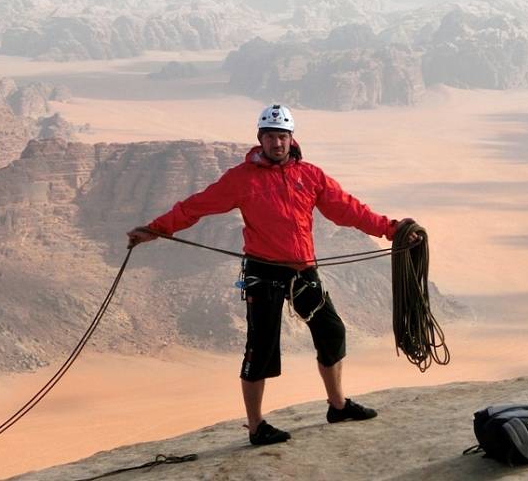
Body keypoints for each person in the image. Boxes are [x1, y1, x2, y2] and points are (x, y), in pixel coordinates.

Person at [127, 104, 413, 446]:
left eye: (282, 136)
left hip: (302, 269)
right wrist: (156, 229)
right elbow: (195, 206)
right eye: (270, 137)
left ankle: (337, 406)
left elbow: (348, 209)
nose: (276, 143)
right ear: (259, 139)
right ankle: (255, 427)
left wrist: (390, 229)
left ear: (292, 139)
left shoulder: (310, 175)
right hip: (263, 272)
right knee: (260, 348)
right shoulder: (241, 179)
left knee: (331, 332)